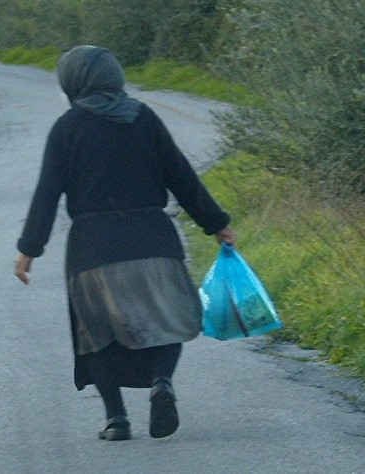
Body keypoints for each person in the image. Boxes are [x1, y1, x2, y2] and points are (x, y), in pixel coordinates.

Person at [14, 45, 235, 441]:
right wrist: (216, 224)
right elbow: (182, 177)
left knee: (96, 332)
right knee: (167, 321)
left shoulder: (67, 128)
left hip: (93, 249)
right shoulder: (143, 119)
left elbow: (47, 193)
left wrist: (29, 249)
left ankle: (116, 419)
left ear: (72, 82)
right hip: (153, 238)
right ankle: (161, 382)